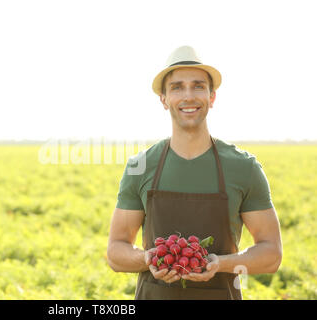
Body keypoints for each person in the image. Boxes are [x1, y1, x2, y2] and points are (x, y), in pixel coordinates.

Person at [106, 45, 283, 300]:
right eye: (177, 87)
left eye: (198, 86)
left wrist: (219, 263)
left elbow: (271, 255)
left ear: (212, 97)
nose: (188, 96)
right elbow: (115, 251)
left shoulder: (244, 168)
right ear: (164, 99)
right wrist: (148, 258)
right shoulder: (140, 167)